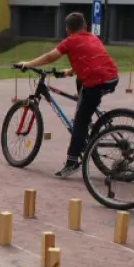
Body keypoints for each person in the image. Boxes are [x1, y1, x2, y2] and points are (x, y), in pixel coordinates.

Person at [15, 12, 120, 178]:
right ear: (85, 26)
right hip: (112, 77)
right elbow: (91, 59)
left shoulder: (70, 41)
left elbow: (51, 56)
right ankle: (85, 118)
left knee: (80, 122)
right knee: (82, 91)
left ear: (67, 30)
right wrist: (69, 72)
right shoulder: (92, 37)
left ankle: (72, 162)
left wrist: (27, 64)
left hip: (96, 82)